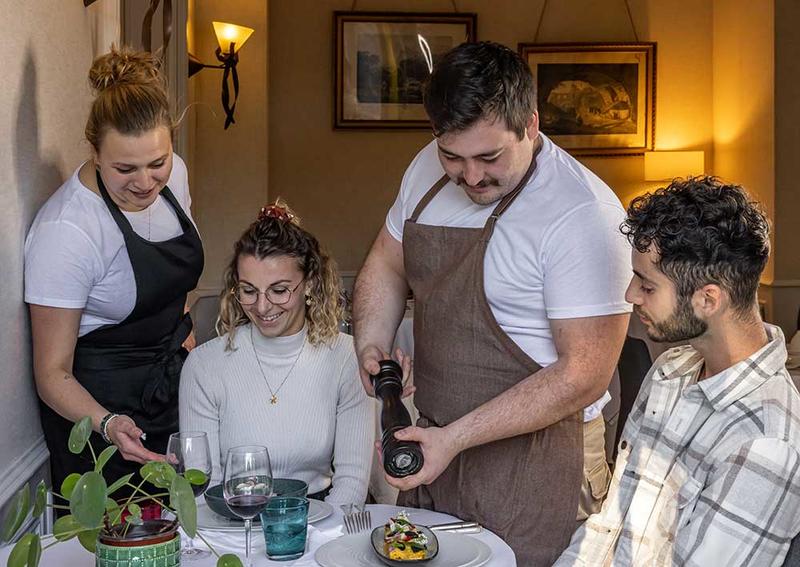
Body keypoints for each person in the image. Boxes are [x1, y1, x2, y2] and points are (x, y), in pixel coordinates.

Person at [353, 41, 631, 565]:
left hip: (544, 461)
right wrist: (372, 343)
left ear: (530, 123)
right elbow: (387, 264)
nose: (472, 177)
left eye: (489, 157)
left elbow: (585, 374)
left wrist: (455, 439)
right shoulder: (424, 171)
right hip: (440, 445)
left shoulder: (582, 214)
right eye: (453, 156)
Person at [555, 177, 800, 566]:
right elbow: (609, 524)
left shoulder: (766, 443)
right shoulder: (671, 371)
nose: (630, 295)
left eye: (647, 286)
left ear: (708, 299)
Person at [24, 47, 204, 502]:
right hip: (99, 420)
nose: (145, 182)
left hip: (172, 393)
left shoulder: (175, 176)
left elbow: (179, 277)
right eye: (125, 168)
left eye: (156, 162)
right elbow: (51, 373)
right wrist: (108, 424)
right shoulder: (67, 230)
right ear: (95, 152)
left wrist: (185, 332)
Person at [179, 201, 373, 505]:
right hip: (232, 518)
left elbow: (352, 482)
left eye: (279, 290)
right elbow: (202, 487)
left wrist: (315, 537)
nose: (262, 306)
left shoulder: (346, 358)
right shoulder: (204, 365)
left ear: (309, 284)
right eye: (248, 290)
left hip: (320, 517)